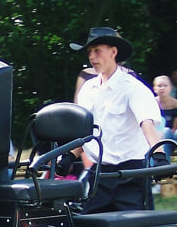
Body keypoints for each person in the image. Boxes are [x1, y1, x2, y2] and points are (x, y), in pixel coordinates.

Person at [70, 27, 167, 213]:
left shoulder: (133, 88)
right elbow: (86, 132)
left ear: (113, 52)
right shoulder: (87, 90)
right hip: (100, 176)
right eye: (89, 52)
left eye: (97, 50)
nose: (92, 57)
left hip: (131, 175)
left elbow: (148, 127)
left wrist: (160, 155)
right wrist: (70, 155)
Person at [152, 75, 177, 150]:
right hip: (155, 134)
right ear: (154, 89)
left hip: (171, 135)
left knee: (166, 131)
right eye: (159, 86)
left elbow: (174, 128)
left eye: (165, 86)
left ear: (170, 88)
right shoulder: (151, 103)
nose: (162, 88)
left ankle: (164, 160)